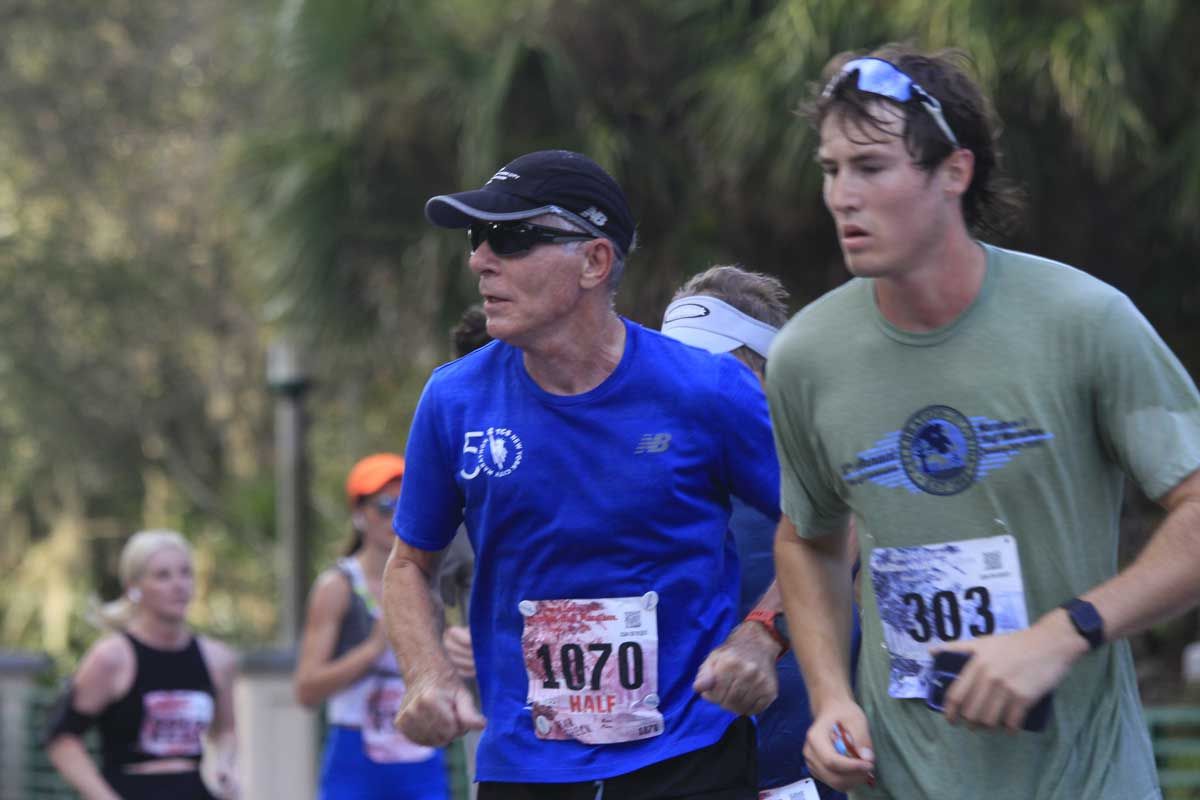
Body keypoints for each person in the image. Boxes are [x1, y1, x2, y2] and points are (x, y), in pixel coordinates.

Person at [767, 44, 1200, 799]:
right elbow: (808, 539)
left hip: (1084, 780)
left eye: (870, 167)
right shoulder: (807, 355)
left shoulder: (1084, 321)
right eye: (831, 169)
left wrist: (1065, 632)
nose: (842, 196)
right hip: (900, 780)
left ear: (954, 172)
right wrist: (830, 696)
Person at [382, 149, 782, 799]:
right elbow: (407, 566)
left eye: (511, 238)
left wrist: (762, 633)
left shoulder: (706, 389)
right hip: (523, 765)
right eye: (477, 237)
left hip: (690, 753)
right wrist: (426, 673)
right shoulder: (453, 400)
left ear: (594, 261)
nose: (479, 259)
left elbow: (826, 524)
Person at [663, 265, 856, 800]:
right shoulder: (657, 469)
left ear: (768, 375)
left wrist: (766, 631)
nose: (690, 385)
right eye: (675, 364)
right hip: (679, 765)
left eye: (716, 367)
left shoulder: (815, 469)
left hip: (804, 761)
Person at [294, 453, 449, 800]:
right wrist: (372, 650)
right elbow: (306, 689)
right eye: (384, 506)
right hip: (355, 755)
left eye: (404, 504)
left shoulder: (433, 582)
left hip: (420, 755)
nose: (395, 516)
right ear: (359, 514)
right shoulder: (338, 586)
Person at [45, 529, 239, 800]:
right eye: (163, 575)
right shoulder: (111, 657)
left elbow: (226, 730)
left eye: (186, 573)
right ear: (133, 587)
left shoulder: (217, 658)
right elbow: (62, 739)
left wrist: (224, 765)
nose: (179, 585)